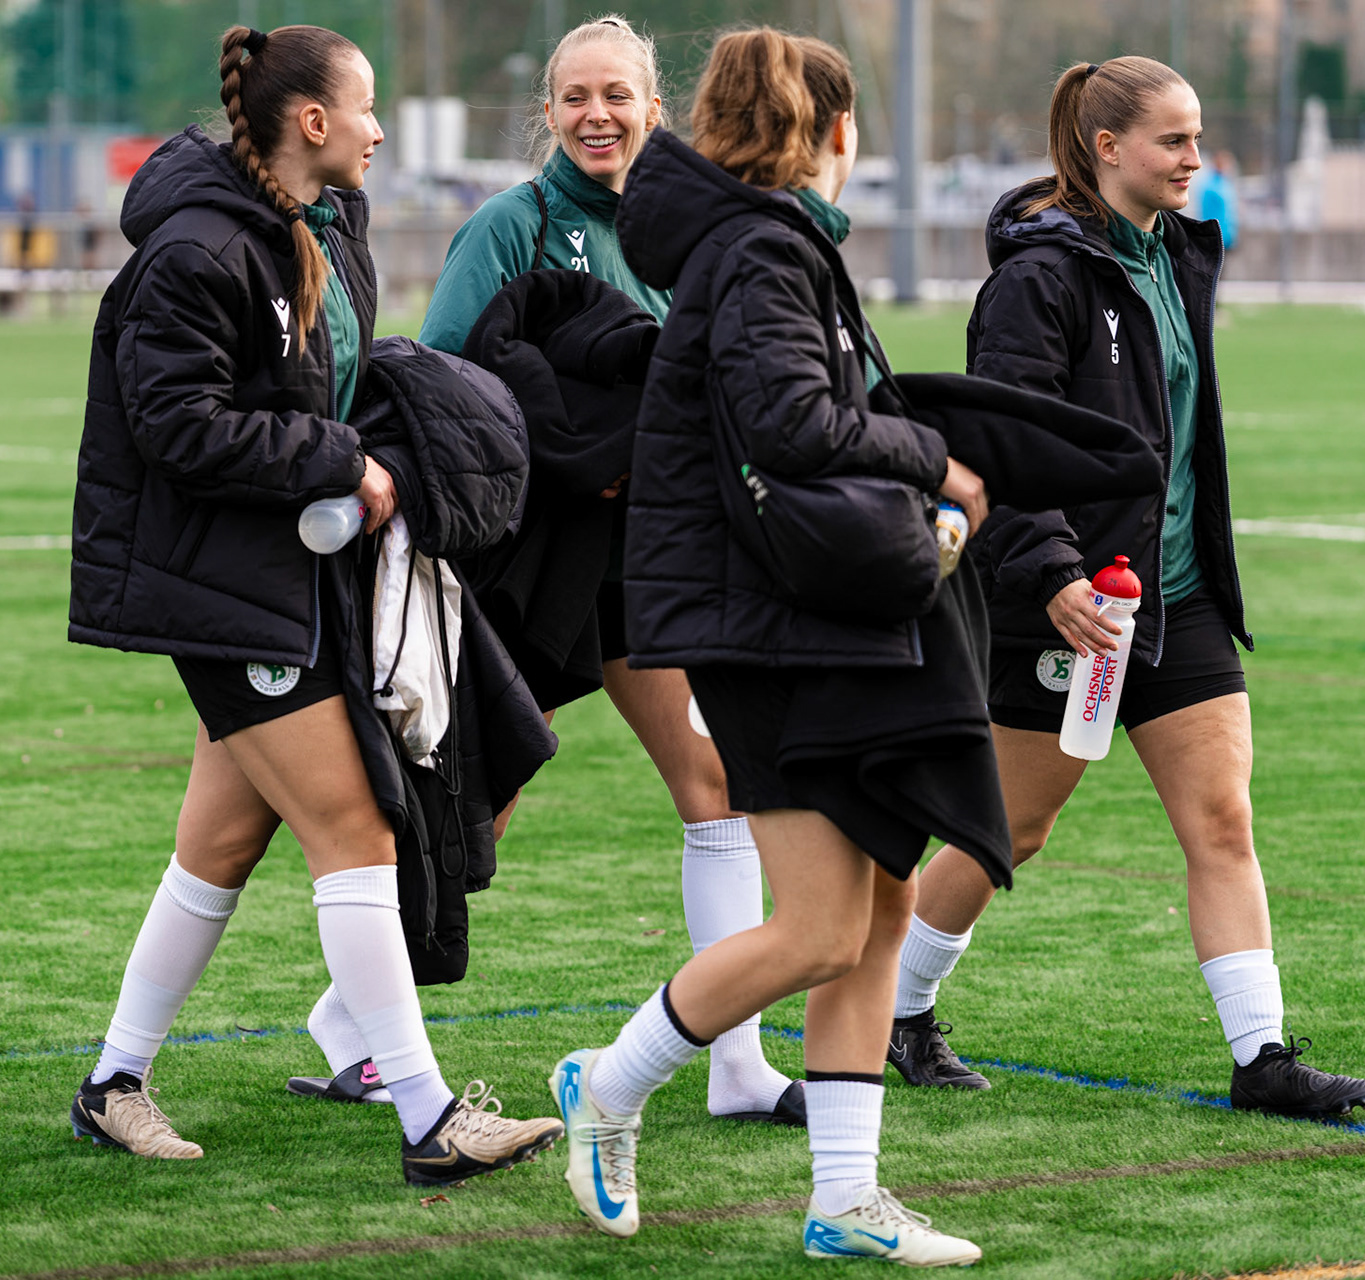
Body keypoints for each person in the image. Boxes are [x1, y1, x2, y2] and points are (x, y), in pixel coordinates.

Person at [64, 23, 562, 1184]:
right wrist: (337, 460)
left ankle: (110, 1082)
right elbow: (175, 424)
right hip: (220, 582)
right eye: (368, 108)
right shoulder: (196, 250)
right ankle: (431, 1117)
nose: (383, 130)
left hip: (288, 573)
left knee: (221, 845)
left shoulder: (329, 223)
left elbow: (326, 378)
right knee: (358, 829)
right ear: (312, 123)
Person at [293, 14, 803, 1130]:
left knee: (713, 786)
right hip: (533, 556)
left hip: (656, 558)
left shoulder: (689, 228)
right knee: (487, 787)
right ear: (548, 113)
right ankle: (352, 1022)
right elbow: (438, 391)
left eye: (617, 94)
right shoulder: (510, 226)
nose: (597, 115)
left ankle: (739, 1064)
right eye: (575, 97)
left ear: (655, 106)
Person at [550, 30, 1006, 1266]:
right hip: (768, 632)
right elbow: (796, 424)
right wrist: (935, 461)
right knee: (816, 925)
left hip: (812, 622)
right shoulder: (759, 246)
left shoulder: (763, 242)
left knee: (885, 901)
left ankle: (846, 1197)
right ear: (829, 134)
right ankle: (610, 1079)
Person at [888, 56, 1365, 1120]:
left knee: (1222, 819)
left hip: (1180, 593)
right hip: (1071, 599)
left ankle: (1264, 1058)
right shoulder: (1038, 277)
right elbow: (1000, 441)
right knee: (1009, 829)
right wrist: (1053, 570)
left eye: (1198, 137)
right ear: (1107, 148)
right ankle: (898, 1007)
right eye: (1174, 141)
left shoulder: (1179, 253)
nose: (1195, 160)